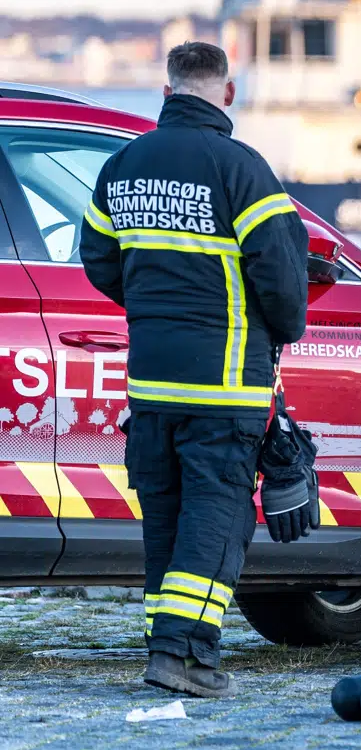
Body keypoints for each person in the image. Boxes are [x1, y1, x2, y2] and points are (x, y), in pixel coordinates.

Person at [79, 42, 311, 697]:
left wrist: (153, 304)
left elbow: (97, 258)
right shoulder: (241, 168)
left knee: (167, 519)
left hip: (151, 385)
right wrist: (281, 328)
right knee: (216, 517)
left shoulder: (123, 164)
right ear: (227, 93)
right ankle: (185, 657)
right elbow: (282, 279)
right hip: (224, 383)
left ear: (167, 90)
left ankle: (165, 647)